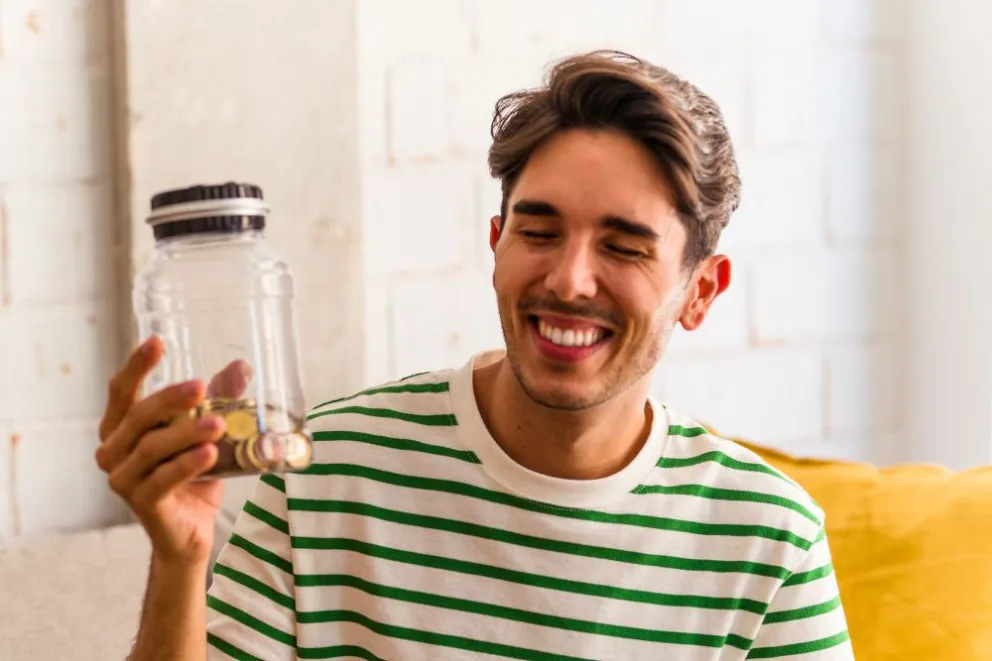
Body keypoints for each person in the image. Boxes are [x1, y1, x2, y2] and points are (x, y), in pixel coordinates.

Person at [96, 50, 854, 660]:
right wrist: (180, 561)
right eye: (539, 231)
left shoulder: (769, 537)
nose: (567, 278)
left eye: (623, 246)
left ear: (701, 292)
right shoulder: (326, 473)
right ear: (496, 246)